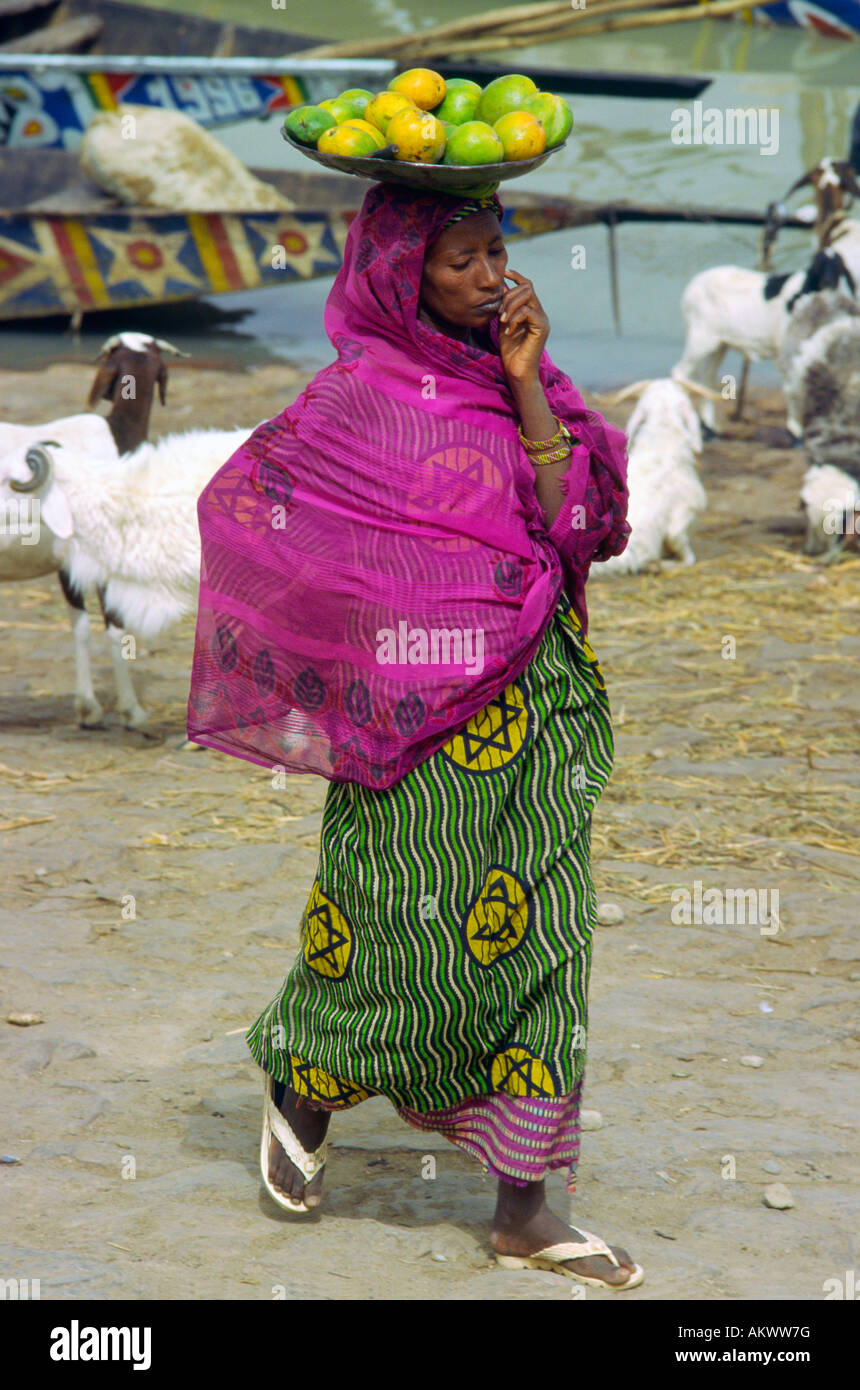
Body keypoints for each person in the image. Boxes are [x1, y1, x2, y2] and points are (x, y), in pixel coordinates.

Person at [187, 182, 642, 1291]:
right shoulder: (354, 399)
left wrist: (532, 390)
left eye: (499, 252)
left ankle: (523, 1205)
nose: (492, 279)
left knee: (544, 941)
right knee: (387, 921)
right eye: (463, 262)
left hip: (529, 701)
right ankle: (307, 1079)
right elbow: (245, 509)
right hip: (408, 721)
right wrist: (361, 645)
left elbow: (587, 528)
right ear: (402, 275)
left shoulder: (524, 377)